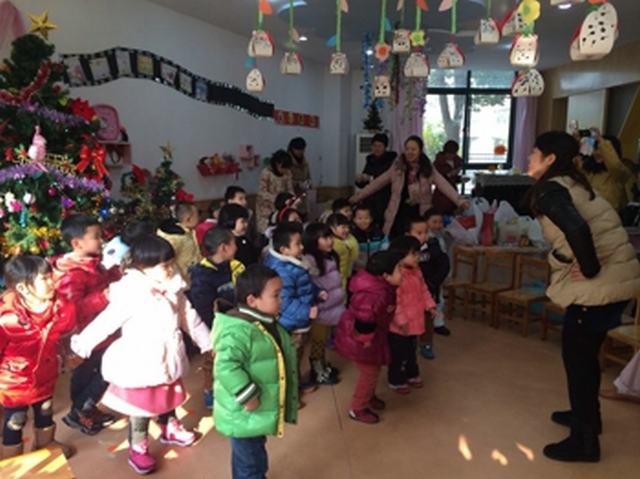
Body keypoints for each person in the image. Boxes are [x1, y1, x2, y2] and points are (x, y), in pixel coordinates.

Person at [526, 131, 640, 462]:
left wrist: (589, 268)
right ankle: (587, 417)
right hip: (619, 280)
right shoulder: (573, 183)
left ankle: (585, 442)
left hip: (600, 288)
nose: (529, 158)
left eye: (534, 152)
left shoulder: (550, 189)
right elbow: (574, 235)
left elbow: (577, 229)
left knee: (578, 363)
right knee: (585, 359)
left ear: (549, 159)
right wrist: (569, 258)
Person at [71, 235, 212, 475]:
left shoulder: (174, 287)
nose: (170, 269)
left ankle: (169, 427)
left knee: (168, 394)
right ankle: (138, 447)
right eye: (164, 266)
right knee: (141, 408)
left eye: (171, 263)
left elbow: (189, 318)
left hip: (168, 354)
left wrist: (207, 342)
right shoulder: (130, 293)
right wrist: (82, 346)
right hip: (141, 361)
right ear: (142, 267)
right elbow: (106, 322)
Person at [212, 265, 298, 479]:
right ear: (252, 300)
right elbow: (225, 366)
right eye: (276, 295)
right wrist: (247, 395)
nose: (281, 300)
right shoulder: (239, 330)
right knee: (251, 463)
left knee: (249, 457)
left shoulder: (263, 322)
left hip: (253, 414)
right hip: (244, 412)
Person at [0, 256, 76, 459]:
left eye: (51, 276)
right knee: (15, 421)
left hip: (45, 375)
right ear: (23, 288)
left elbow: (67, 333)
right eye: (44, 279)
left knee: (45, 412)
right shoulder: (6, 318)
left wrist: (67, 354)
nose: (52, 282)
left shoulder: (61, 307)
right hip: (14, 384)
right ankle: (12, 458)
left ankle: (46, 445)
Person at [52, 214, 121, 435]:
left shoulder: (93, 263)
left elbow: (102, 281)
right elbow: (74, 310)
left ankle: (85, 410)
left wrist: (115, 273)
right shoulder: (73, 274)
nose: (101, 240)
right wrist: (103, 297)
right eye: (96, 237)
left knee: (97, 372)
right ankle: (80, 411)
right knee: (100, 373)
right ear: (77, 243)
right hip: (88, 336)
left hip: (103, 331)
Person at [350, 135, 468, 238]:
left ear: (420, 151)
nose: (409, 152)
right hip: (398, 214)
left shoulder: (427, 168)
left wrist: (460, 201)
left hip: (419, 214)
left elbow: (444, 185)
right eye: (407, 149)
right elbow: (377, 183)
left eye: (413, 149)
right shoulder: (397, 167)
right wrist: (356, 197)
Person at [334, 250, 404, 424]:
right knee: (370, 372)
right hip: (361, 339)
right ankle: (357, 408)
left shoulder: (381, 287)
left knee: (374, 368)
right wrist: (365, 339)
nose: (402, 272)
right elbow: (364, 319)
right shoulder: (375, 294)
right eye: (399, 268)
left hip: (372, 335)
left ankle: (368, 396)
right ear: (385, 275)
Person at [263, 222, 324, 399]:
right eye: (297, 244)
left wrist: (317, 292)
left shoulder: (292, 263)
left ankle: (295, 384)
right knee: (290, 359)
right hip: (290, 324)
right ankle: (290, 395)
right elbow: (284, 301)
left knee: (296, 357)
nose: (302, 247)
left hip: (296, 321)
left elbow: (304, 285)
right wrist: (306, 311)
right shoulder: (282, 271)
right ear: (284, 249)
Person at [189, 228, 245, 409]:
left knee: (233, 360)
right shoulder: (202, 276)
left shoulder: (233, 266)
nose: (237, 247)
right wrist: (213, 333)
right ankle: (210, 392)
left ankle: (235, 390)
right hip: (214, 329)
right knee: (213, 362)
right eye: (234, 243)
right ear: (224, 248)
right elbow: (204, 310)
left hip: (234, 323)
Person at [387, 237, 436, 394]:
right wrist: (401, 321)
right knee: (398, 355)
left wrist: (430, 305)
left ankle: (411, 374)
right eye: (413, 254)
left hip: (414, 322)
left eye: (418, 253)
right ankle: (396, 380)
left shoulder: (417, 271)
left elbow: (424, 290)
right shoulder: (396, 276)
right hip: (399, 326)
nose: (417, 257)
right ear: (400, 255)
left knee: (411, 350)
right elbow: (395, 302)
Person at [303, 223, 344, 386]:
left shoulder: (329, 256)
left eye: (330, 237)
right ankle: (318, 372)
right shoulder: (310, 261)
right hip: (320, 309)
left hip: (330, 308)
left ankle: (322, 367)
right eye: (325, 238)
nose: (330, 241)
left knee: (322, 340)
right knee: (318, 342)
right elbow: (309, 286)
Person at [575, 129, 631, 212]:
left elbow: (614, 165)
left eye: (601, 149)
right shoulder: (587, 169)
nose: (597, 152)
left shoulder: (620, 173)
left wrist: (600, 140)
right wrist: (575, 142)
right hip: (586, 213)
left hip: (608, 215)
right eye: (596, 148)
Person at [355, 133, 397, 228]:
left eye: (379, 146)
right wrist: (360, 180)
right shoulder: (370, 160)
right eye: (374, 145)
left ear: (385, 147)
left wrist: (369, 178)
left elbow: (387, 179)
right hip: (369, 199)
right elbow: (364, 183)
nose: (376, 148)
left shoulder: (391, 160)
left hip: (384, 199)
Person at [157, 201, 202, 286]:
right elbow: (166, 262)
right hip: (183, 282)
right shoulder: (174, 238)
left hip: (195, 276)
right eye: (197, 215)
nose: (199, 218)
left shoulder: (188, 231)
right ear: (188, 219)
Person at [423, 209, 452, 337]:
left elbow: (444, 259)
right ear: (426, 222)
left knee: (439, 300)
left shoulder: (441, 237)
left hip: (438, 275)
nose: (438, 225)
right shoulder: (425, 238)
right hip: (427, 275)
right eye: (434, 222)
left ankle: (438, 323)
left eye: (440, 222)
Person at [257, 150, 294, 233]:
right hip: (266, 209)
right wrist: (277, 199)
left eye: (287, 168)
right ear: (278, 164)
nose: (285, 170)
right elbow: (262, 192)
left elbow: (290, 189)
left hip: (282, 207)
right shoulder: (266, 173)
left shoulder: (288, 173)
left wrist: (292, 199)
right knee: (268, 231)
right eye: (283, 168)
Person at [351, 204, 389, 271]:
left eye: (366, 218)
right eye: (359, 218)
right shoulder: (352, 235)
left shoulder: (378, 233)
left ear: (371, 219)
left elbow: (385, 245)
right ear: (354, 219)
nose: (363, 221)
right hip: (358, 269)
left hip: (376, 268)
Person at [327, 213, 359, 289]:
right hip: (335, 278)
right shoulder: (331, 243)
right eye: (343, 227)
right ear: (332, 228)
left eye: (347, 227)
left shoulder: (349, 239)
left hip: (345, 275)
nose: (347, 230)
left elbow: (354, 257)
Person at [432, 140, 464, 215]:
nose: (451, 156)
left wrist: (457, 175)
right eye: (449, 154)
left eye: (453, 154)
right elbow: (435, 177)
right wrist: (449, 174)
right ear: (445, 152)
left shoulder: (456, 160)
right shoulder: (439, 161)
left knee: (453, 210)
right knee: (442, 210)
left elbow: (460, 164)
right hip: (441, 193)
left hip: (453, 188)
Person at [288, 137, 312, 217]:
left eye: (302, 149)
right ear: (292, 149)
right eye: (297, 149)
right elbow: (284, 181)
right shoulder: (287, 162)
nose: (300, 152)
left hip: (303, 198)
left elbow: (309, 177)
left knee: (304, 217)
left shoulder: (305, 162)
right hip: (291, 197)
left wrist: (309, 184)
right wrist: (297, 183)